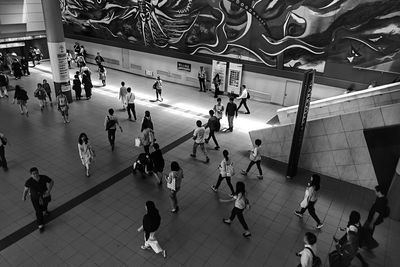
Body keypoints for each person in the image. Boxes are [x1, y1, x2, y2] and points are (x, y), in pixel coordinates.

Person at [22, 167, 54, 232]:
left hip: (44, 196)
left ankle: (45, 210)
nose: (36, 175)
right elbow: (25, 190)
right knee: (38, 211)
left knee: (45, 205)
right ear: (31, 175)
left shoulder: (43, 177)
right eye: (34, 174)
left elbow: (51, 181)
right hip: (35, 198)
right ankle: (40, 224)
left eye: (37, 173)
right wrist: (23, 197)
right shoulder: (29, 182)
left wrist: (49, 191)